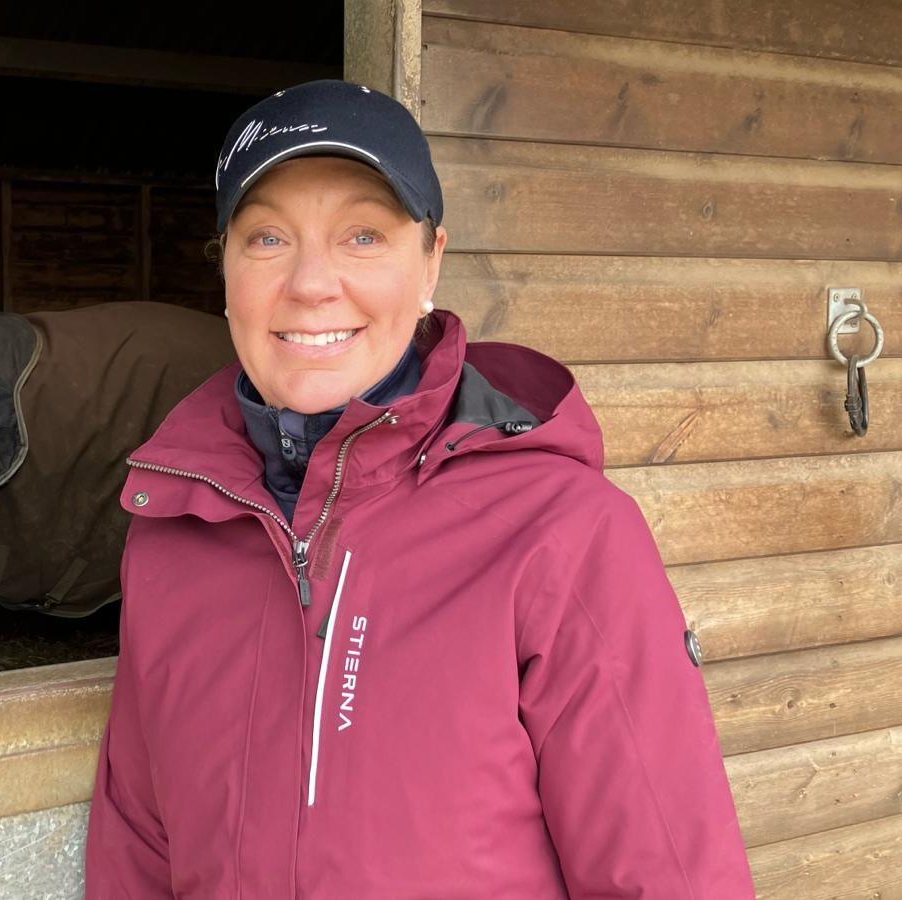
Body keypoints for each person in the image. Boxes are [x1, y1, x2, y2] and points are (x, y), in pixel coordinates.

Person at [84, 79, 755, 898]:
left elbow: (668, 874)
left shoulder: (561, 533)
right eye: (266, 239)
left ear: (431, 260)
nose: (311, 283)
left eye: (363, 235)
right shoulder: (170, 534)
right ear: (224, 273)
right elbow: (138, 853)